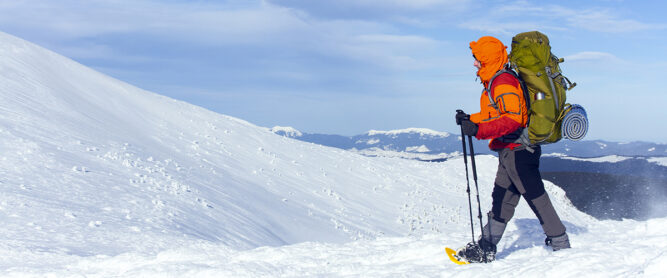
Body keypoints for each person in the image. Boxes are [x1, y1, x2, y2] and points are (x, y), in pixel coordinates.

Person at [455, 36, 571, 263]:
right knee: (502, 199)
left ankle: (561, 244)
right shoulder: (499, 80)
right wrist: (471, 119)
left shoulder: (503, 82)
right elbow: (496, 114)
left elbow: (512, 119)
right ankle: (486, 246)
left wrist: (478, 129)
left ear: (488, 59)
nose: (474, 64)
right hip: (511, 150)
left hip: (519, 151)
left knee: (536, 197)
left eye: (477, 59)